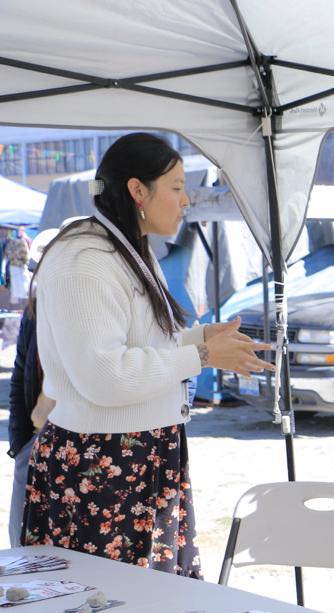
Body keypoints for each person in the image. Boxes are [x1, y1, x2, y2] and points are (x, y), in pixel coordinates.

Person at [22, 132, 273, 574]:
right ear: (137, 190)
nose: (185, 201)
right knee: (108, 608)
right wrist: (202, 356)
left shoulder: (123, 248)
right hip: (104, 464)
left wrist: (199, 340)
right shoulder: (87, 258)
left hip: (139, 455)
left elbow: (141, 349)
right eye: (176, 188)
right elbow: (105, 376)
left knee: (150, 608)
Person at [6, 310, 51, 547]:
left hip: (90, 451)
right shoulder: (36, 309)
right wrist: (20, 444)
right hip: (34, 442)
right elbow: (21, 372)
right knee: (23, 554)